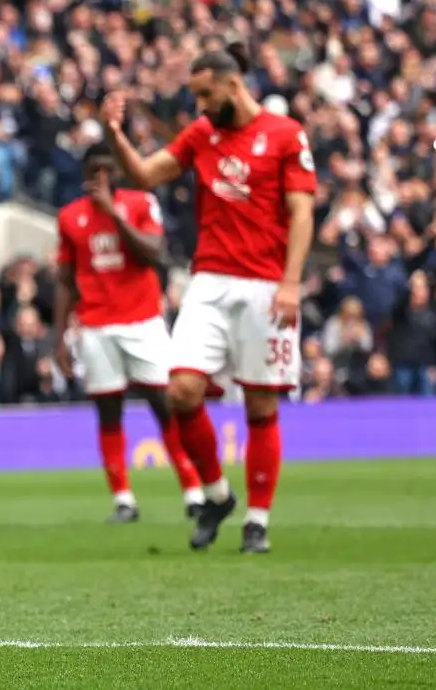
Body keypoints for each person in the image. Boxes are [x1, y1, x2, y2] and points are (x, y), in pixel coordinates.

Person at [102, 41, 317, 554]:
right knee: (180, 391)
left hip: (267, 284)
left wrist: (291, 283)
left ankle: (257, 521)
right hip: (210, 281)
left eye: (204, 94)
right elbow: (146, 175)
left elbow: (302, 213)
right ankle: (218, 493)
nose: (199, 106)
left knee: (261, 403)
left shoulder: (286, 135)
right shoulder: (203, 134)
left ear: (231, 84)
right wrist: (114, 134)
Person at [53, 143, 204, 523]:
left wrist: (113, 215)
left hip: (142, 322)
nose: (100, 178)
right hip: (96, 326)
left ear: (118, 173)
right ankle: (123, 498)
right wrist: (58, 338)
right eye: (93, 172)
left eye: (108, 170)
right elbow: (66, 281)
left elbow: (151, 253)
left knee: (165, 405)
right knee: (108, 411)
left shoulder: (140, 204)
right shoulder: (70, 217)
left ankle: (193, 489)